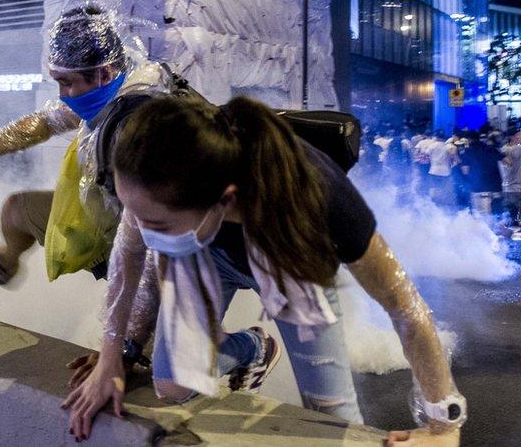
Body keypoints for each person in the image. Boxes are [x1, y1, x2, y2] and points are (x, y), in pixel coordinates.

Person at [63, 96, 466, 445]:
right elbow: (128, 256)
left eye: (158, 225)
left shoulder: (320, 200)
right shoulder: (165, 170)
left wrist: (442, 424)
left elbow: (404, 305)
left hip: (290, 259)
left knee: (330, 420)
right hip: (204, 252)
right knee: (172, 383)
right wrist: (115, 355)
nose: (144, 234)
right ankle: (253, 349)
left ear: (224, 200)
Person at [0, 6, 173, 286]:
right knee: (17, 210)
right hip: (103, 216)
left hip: (153, 247)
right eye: (58, 82)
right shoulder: (105, 94)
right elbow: (45, 121)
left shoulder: (147, 121)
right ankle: (4, 262)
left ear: (104, 74)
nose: (62, 95)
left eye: (67, 83)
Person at [427, 131, 457, 207]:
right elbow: (452, 156)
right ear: (444, 138)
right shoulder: (447, 147)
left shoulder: (432, 146)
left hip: (433, 170)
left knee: (433, 189)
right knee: (444, 190)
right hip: (445, 172)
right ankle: (443, 206)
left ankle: (434, 205)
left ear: (436, 137)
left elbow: (426, 154)